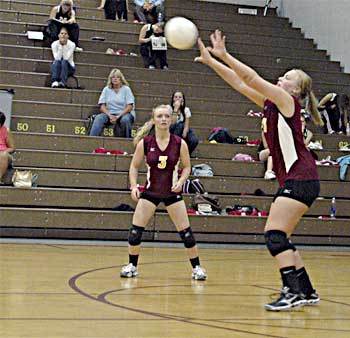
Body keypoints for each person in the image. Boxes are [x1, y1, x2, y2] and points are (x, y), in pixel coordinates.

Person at [195, 30, 323, 311]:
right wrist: (211, 62)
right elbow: (241, 85)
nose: (282, 78)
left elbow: (251, 78)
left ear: (295, 90)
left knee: (274, 235)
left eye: (288, 77)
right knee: (281, 236)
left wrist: (225, 54)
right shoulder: (273, 105)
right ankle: (306, 291)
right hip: (300, 179)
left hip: (300, 178)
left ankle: (291, 292)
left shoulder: (288, 102)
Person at [120, 104, 207, 280]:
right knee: (135, 231)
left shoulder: (179, 143)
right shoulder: (145, 143)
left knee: (186, 233)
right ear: (154, 119)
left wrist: (182, 181)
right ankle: (132, 265)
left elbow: (187, 167)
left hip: (171, 193)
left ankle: (197, 268)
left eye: (167, 116)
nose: (163, 119)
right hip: (151, 192)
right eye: (159, 116)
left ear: (171, 119)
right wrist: (134, 186)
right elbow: (134, 167)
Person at [89, 69, 135, 138]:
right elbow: (102, 106)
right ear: (110, 79)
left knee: (125, 120)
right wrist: (110, 115)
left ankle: (127, 141)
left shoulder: (126, 89)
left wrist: (118, 116)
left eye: (117, 77)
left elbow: (130, 106)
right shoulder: (106, 89)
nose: (115, 79)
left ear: (121, 79)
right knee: (99, 118)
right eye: (113, 77)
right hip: (109, 113)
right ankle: (91, 139)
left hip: (124, 113)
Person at [0, 111, 15, 183]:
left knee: (2, 155)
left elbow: (12, 148)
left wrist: (3, 152)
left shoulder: (6, 130)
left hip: (4, 155)